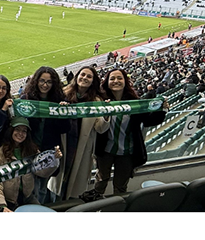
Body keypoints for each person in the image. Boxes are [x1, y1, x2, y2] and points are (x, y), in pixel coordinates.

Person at [93, 68, 166, 196]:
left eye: (120, 78)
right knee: (100, 183)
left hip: (127, 152)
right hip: (105, 151)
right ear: (107, 82)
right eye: (112, 78)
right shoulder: (101, 101)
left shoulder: (135, 102)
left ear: (125, 81)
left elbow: (149, 121)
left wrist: (162, 110)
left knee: (120, 187)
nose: (116, 81)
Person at [19, 66, 68, 203]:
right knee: (28, 186)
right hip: (29, 150)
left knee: (41, 188)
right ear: (36, 81)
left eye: (49, 82)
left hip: (48, 151)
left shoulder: (59, 101)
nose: (45, 85)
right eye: (42, 81)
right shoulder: (26, 98)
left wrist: (63, 113)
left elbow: (65, 128)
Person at [61, 65, 107, 200]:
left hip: (82, 146)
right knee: (59, 182)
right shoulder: (64, 94)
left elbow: (101, 128)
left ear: (93, 81)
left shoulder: (97, 101)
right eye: (82, 75)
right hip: (64, 142)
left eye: (89, 76)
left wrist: (106, 114)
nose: (85, 78)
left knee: (74, 184)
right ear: (77, 76)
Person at [0, 117, 47, 211]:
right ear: (11, 131)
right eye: (17, 129)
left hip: (27, 198)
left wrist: (53, 160)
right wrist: (1, 206)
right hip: (7, 201)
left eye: (24, 131)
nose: (20, 134)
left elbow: (42, 172)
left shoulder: (32, 151)